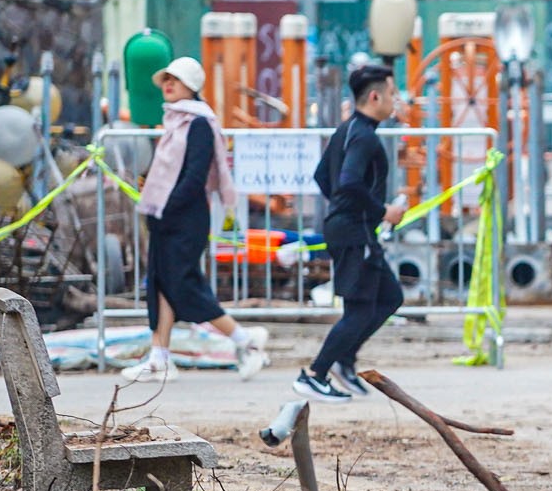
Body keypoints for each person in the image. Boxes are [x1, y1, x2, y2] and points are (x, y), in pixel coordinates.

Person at [122, 56, 267, 384]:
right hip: (166, 213)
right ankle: (159, 358)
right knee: (160, 282)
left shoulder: (199, 123)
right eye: (166, 80)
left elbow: (194, 175)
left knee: (183, 285)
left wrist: (168, 207)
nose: (168, 84)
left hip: (185, 215)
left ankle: (247, 340)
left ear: (192, 85)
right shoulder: (175, 120)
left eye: (176, 79)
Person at [294, 62, 408, 402]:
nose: (395, 101)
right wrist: (381, 211)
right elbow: (348, 182)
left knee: (390, 297)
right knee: (359, 309)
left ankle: (344, 360)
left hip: (352, 228)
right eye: (391, 94)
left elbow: (322, 177)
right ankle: (315, 373)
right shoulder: (364, 136)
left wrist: (345, 208)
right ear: (375, 96)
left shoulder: (347, 129)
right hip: (355, 232)